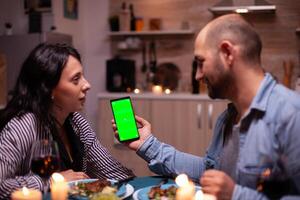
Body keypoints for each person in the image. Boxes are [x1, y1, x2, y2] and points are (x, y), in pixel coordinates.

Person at [113, 14, 300, 199]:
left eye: (201, 63)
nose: (198, 76)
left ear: (227, 53)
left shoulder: (292, 115)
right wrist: (147, 145)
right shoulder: (227, 118)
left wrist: (236, 195)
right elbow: (209, 172)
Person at [0, 43, 134, 198]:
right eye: (76, 79)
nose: (87, 85)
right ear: (49, 89)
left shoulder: (76, 120)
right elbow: (2, 185)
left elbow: (111, 170)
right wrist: (53, 180)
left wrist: (144, 147)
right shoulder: (24, 125)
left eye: (83, 76)